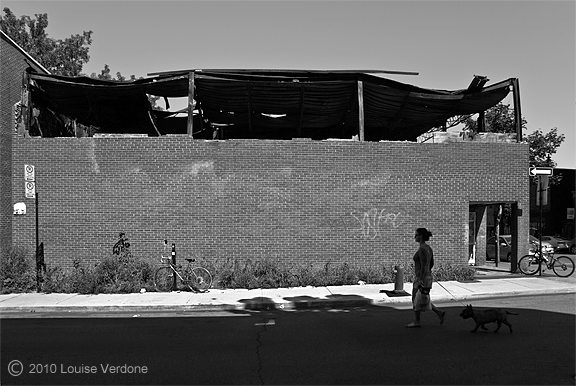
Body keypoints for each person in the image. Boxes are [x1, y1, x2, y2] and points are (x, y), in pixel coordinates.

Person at [406, 227, 446, 328]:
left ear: (421, 236)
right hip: (427, 277)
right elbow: (431, 263)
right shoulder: (428, 248)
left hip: (422, 277)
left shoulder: (422, 249)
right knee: (423, 298)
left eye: (416, 235)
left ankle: (417, 321)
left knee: (415, 299)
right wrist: (427, 273)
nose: (414, 237)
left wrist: (420, 278)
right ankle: (439, 312)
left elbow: (424, 265)